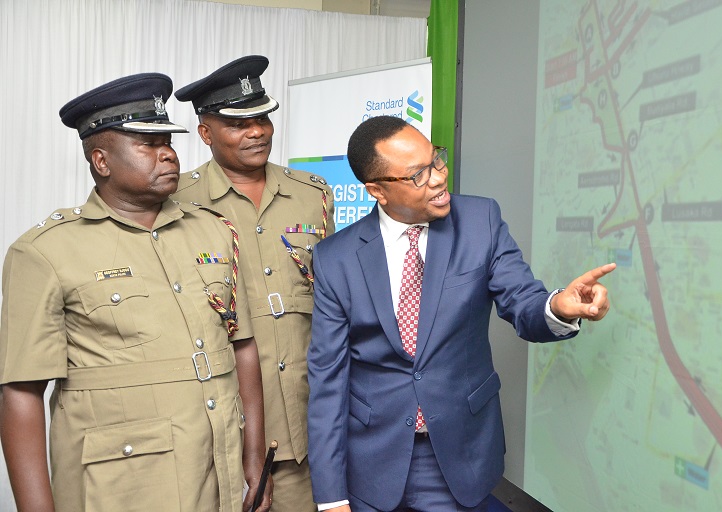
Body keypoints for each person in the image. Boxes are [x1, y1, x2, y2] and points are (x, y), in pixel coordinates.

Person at [307, 115, 616, 511]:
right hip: (371, 463)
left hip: (456, 457)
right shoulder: (336, 258)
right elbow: (328, 383)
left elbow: (522, 301)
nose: (438, 178)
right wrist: (331, 499)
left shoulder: (480, 222)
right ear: (376, 190)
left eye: (437, 159)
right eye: (418, 174)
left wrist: (557, 306)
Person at [0, 73, 271, 512]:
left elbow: (243, 346)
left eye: (167, 141)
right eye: (147, 144)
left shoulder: (214, 231)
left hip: (215, 475)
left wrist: (255, 461)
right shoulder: (44, 252)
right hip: (121, 488)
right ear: (101, 160)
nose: (167, 153)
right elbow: (21, 392)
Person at [173, 55, 335, 512]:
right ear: (205, 132)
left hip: (304, 424)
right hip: (218, 428)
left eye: (262, 118)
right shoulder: (176, 204)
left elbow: (334, 304)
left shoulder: (312, 195)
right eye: (239, 123)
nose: (258, 131)